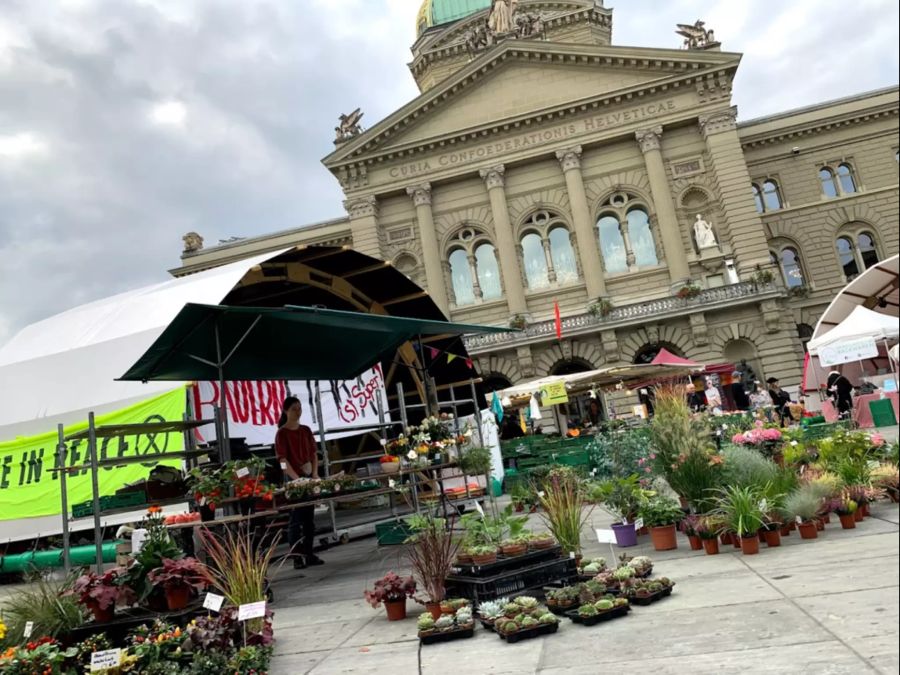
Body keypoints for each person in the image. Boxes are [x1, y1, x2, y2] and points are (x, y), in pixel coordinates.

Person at [275, 396, 324, 569]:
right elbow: (282, 460)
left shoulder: (306, 430)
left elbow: (313, 454)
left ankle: (309, 553)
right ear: (286, 410)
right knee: (296, 518)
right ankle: (296, 556)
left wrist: (315, 474)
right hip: (293, 479)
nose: (298, 411)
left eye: (299, 408)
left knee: (309, 518)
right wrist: (296, 478)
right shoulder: (282, 433)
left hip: (309, 477)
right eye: (294, 408)